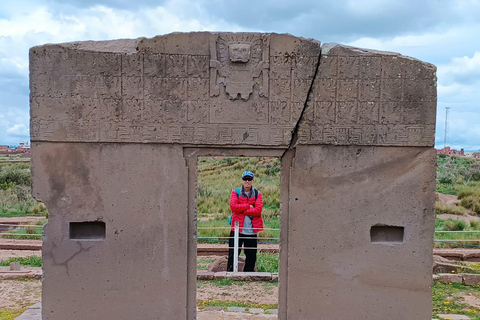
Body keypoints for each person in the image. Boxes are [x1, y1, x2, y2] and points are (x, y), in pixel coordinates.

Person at [227, 170, 263, 272]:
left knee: (251, 254)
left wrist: (241, 209)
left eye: (249, 179)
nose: (247, 181)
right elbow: (233, 207)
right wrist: (248, 206)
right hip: (237, 229)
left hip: (251, 230)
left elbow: (258, 210)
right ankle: (230, 273)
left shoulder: (257, 194)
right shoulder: (236, 192)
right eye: (245, 179)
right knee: (233, 253)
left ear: (252, 180)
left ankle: (249, 274)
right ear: (242, 180)